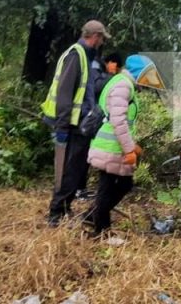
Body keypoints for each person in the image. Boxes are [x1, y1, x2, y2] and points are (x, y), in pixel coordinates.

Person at [84, 54, 165, 236]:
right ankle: (101, 231)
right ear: (138, 73)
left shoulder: (124, 84)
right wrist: (130, 149)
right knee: (108, 189)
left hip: (114, 146)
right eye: (146, 77)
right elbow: (118, 121)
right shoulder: (123, 85)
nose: (147, 83)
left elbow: (122, 121)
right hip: (110, 147)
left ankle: (92, 216)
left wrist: (131, 146)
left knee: (122, 185)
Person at [42, 20, 110, 225]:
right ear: (95, 36)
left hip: (78, 124)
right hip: (70, 125)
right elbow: (65, 92)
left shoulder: (86, 57)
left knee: (76, 170)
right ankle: (56, 214)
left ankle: (63, 209)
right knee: (68, 171)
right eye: (101, 38)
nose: (101, 43)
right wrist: (62, 126)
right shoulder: (76, 55)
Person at [75, 52, 124, 201]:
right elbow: (95, 88)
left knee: (84, 155)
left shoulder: (98, 68)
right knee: (82, 155)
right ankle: (79, 189)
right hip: (88, 118)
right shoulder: (96, 69)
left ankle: (80, 188)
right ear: (112, 63)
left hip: (92, 118)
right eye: (117, 66)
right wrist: (110, 76)